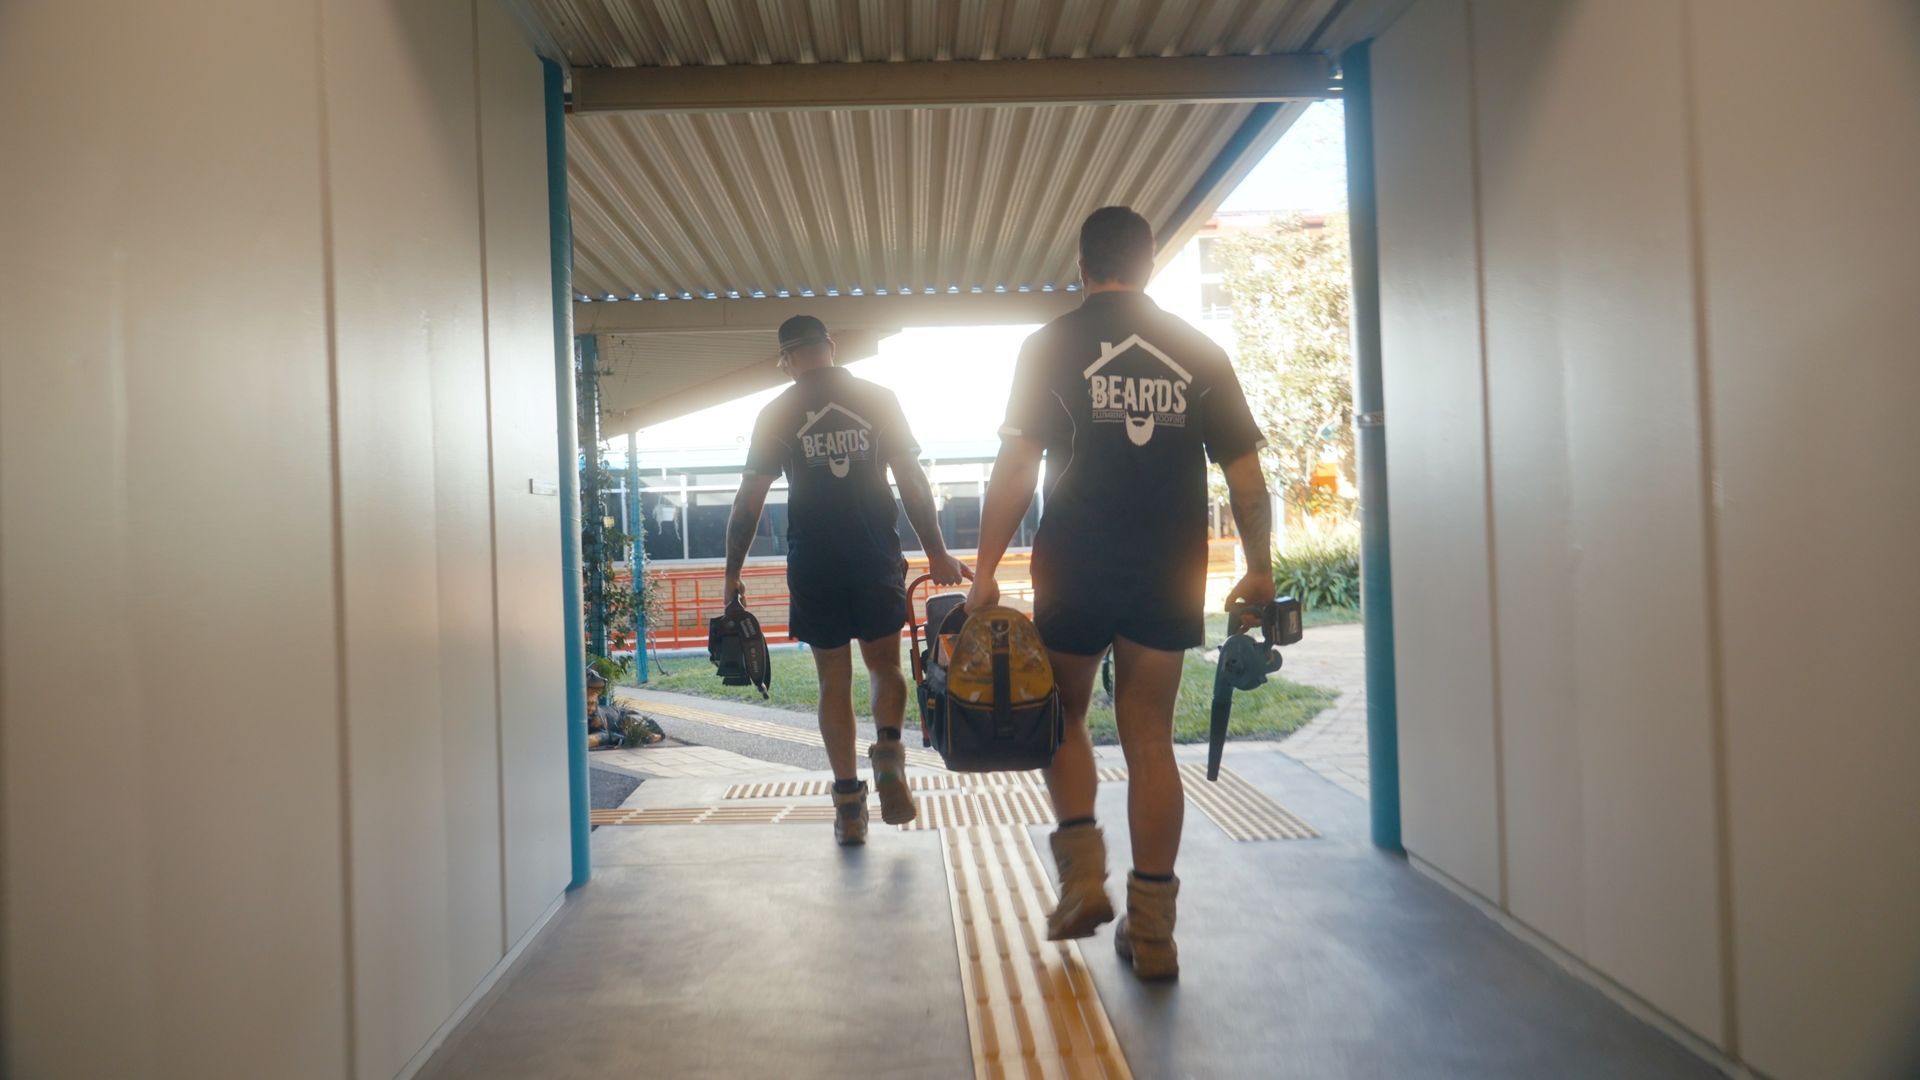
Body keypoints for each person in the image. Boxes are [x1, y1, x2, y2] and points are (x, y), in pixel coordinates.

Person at [966, 206, 1273, 979]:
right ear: (1149, 263)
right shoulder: (1198, 351)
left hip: (1074, 562)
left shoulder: (1049, 345)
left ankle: (1082, 877)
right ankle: (1156, 931)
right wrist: (1260, 566)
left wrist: (982, 572)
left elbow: (1017, 467)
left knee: (1061, 713)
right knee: (1149, 739)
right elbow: (1245, 476)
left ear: (1083, 265)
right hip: (1169, 568)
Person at [724, 315, 967, 845]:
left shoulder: (777, 412)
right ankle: (887, 755)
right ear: (830, 348)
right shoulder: (879, 399)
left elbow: (749, 501)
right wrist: (938, 553)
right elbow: (911, 481)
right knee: (883, 666)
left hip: (814, 561)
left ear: (786, 359)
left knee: (833, 679)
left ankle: (850, 808)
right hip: (874, 555)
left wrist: (732, 575)